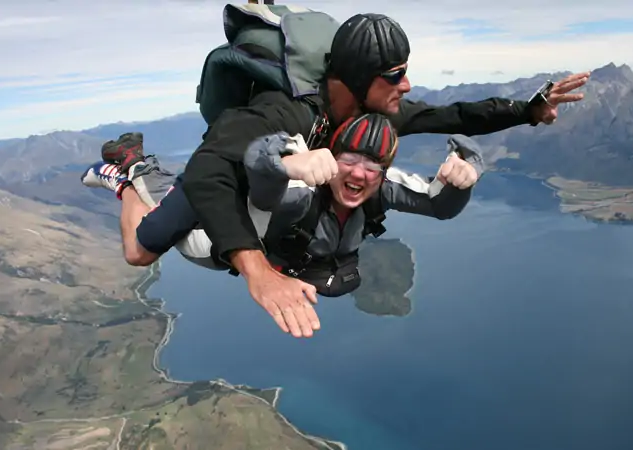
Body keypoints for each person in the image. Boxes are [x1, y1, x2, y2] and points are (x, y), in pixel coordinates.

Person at [102, 12, 590, 338]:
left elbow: (450, 115)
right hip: (225, 172)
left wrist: (527, 110)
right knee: (139, 252)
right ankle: (129, 170)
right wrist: (257, 272)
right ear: (359, 79)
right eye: (395, 75)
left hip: (273, 186)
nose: (407, 85)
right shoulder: (279, 112)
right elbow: (210, 173)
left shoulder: (372, 116)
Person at [81, 113, 483, 330]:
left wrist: (462, 179)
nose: (360, 174)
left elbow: (439, 205)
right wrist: (287, 161)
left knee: (173, 184)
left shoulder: (382, 187)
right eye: (349, 160)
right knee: (139, 250)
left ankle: (144, 166)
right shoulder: (301, 192)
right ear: (331, 156)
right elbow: (262, 177)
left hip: (269, 232)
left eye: (373, 165)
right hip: (219, 236)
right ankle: (126, 175)